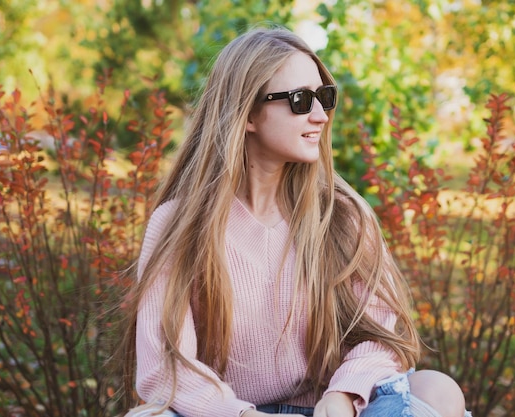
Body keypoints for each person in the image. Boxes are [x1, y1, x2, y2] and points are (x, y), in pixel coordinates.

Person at [120, 26, 471, 417]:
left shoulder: (342, 217)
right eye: (301, 100)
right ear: (248, 112)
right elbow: (165, 368)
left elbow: (383, 338)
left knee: (437, 390)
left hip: (331, 410)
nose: (321, 115)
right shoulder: (178, 227)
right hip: (228, 413)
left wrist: (343, 395)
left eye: (324, 97)